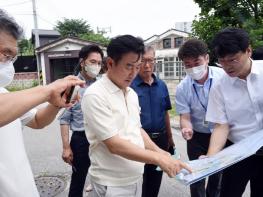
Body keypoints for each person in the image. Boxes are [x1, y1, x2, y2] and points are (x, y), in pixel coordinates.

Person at [81, 35, 191, 197]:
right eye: (128, 66)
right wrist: (158, 159)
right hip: (111, 183)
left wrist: (162, 153)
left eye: (137, 66)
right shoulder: (95, 95)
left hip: (133, 178)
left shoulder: (130, 93)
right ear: (110, 63)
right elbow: (114, 144)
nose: (134, 72)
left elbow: (136, 129)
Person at [0, 9, 84, 197]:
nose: (9, 64)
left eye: (12, 57)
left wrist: (56, 103)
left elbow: (38, 121)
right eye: (6, 54)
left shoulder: (5, 94)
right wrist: (48, 91)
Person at [205, 27, 263, 197]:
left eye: (233, 60)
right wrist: (211, 157)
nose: (226, 67)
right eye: (221, 61)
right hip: (238, 151)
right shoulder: (219, 86)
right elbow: (221, 125)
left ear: (248, 51)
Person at [175, 39, 223, 197]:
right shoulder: (183, 87)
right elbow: (185, 116)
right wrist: (186, 127)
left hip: (221, 134)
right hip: (196, 136)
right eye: (188, 65)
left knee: (218, 176)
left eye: (197, 62)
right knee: (195, 176)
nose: (193, 68)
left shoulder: (223, 77)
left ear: (207, 58)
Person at [59, 45, 103, 197]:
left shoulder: (101, 86)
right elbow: (64, 119)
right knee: (78, 181)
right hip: (81, 141)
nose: (96, 66)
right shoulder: (73, 86)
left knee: (104, 179)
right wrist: (66, 147)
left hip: (101, 139)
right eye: (93, 61)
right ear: (83, 62)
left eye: (99, 63)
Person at [130, 46, 174, 197]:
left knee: (154, 180)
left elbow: (166, 112)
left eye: (150, 60)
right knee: (135, 180)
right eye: (143, 61)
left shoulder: (161, 85)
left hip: (160, 139)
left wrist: (170, 138)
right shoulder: (130, 87)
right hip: (138, 140)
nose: (147, 65)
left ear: (155, 61)